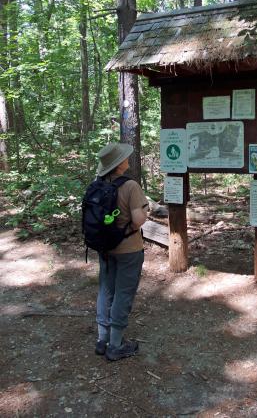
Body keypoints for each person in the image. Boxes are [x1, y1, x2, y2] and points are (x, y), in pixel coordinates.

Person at [94, 142, 148, 361]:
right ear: (119, 165)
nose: (128, 159)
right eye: (124, 158)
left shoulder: (97, 183)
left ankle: (102, 340)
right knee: (123, 293)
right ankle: (116, 345)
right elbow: (137, 222)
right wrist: (144, 211)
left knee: (106, 290)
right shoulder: (130, 186)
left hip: (105, 247)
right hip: (129, 249)